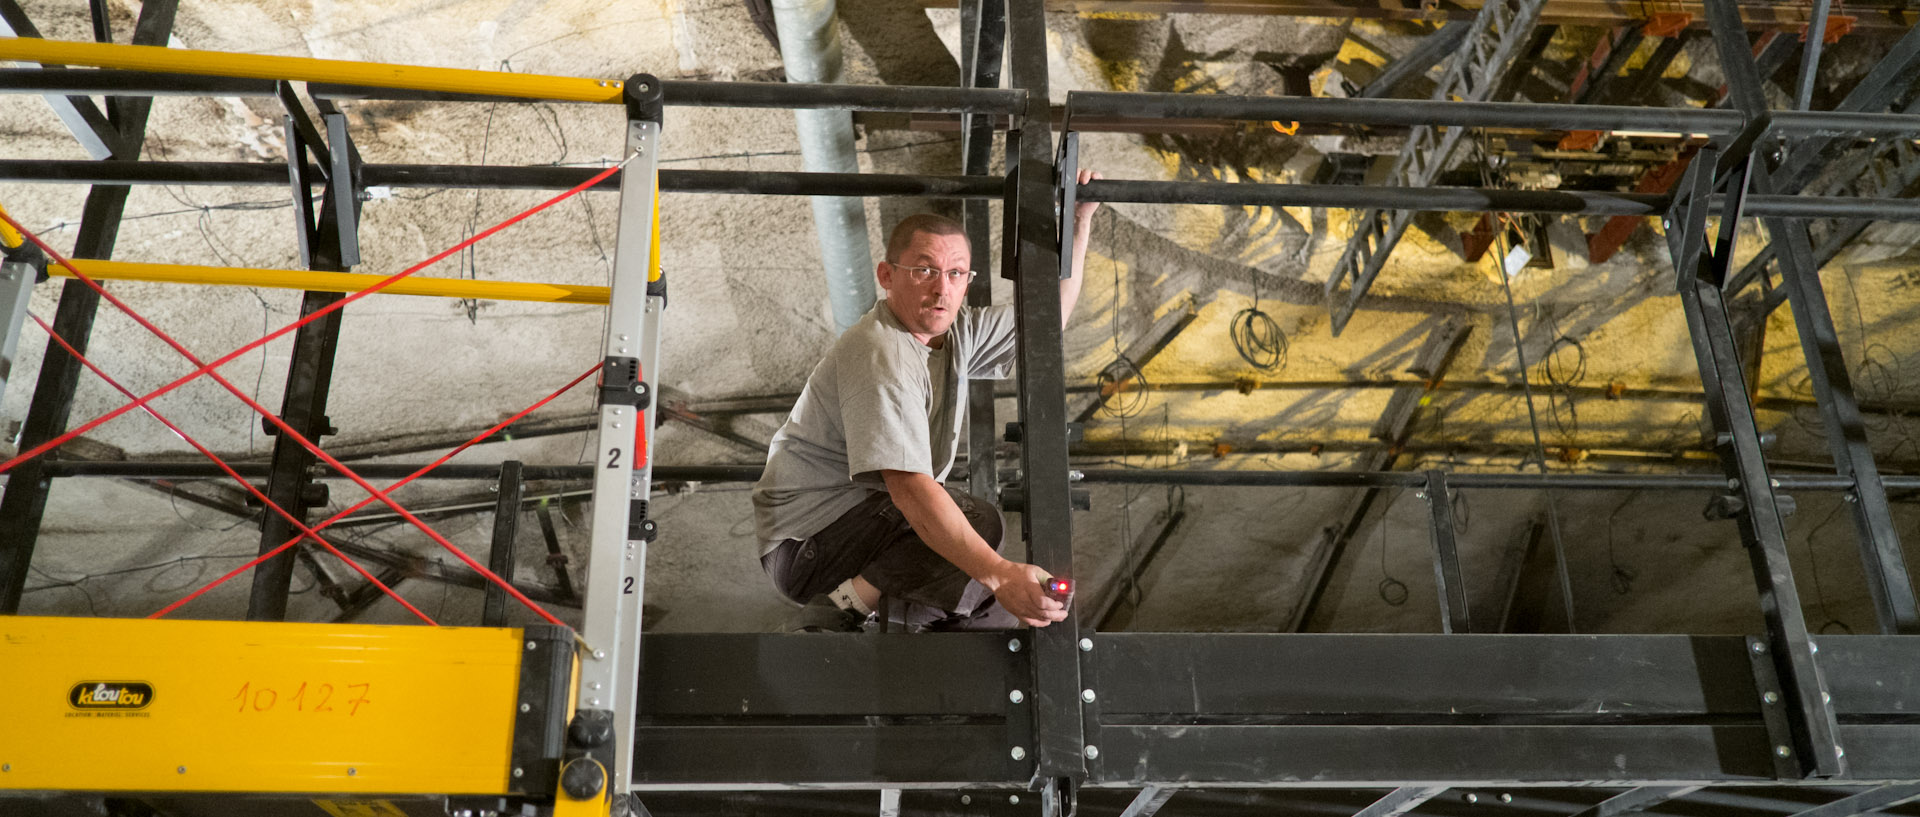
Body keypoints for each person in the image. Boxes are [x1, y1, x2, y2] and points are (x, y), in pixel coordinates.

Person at [753, 168, 1104, 632]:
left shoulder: (956, 330)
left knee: (974, 570)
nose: (942, 288)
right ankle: (844, 606)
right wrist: (1000, 574)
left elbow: (1046, 321)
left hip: (863, 530)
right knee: (973, 522)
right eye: (924, 270)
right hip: (807, 547)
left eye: (956, 273)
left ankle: (904, 628)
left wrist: (1079, 224)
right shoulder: (882, 350)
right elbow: (911, 491)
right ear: (886, 275)